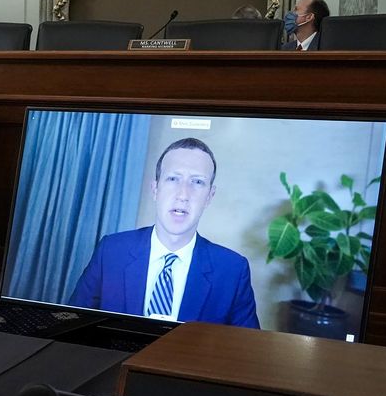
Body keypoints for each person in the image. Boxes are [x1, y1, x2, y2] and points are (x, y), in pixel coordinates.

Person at [67, 137, 259, 328]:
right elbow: (72, 323)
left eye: (197, 182)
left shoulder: (233, 270)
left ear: (209, 196)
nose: (183, 195)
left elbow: (246, 351)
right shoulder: (111, 251)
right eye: (173, 179)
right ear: (155, 189)